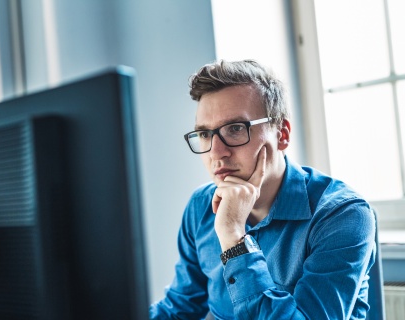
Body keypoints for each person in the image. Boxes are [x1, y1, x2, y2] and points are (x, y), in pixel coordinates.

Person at [149, 60, 376, 319]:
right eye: (204, 134)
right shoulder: (201, 206)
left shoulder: (343, 214)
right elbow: (180, 309)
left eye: (235, 129)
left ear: (282, 134)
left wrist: (234, 238)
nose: (216, 153)